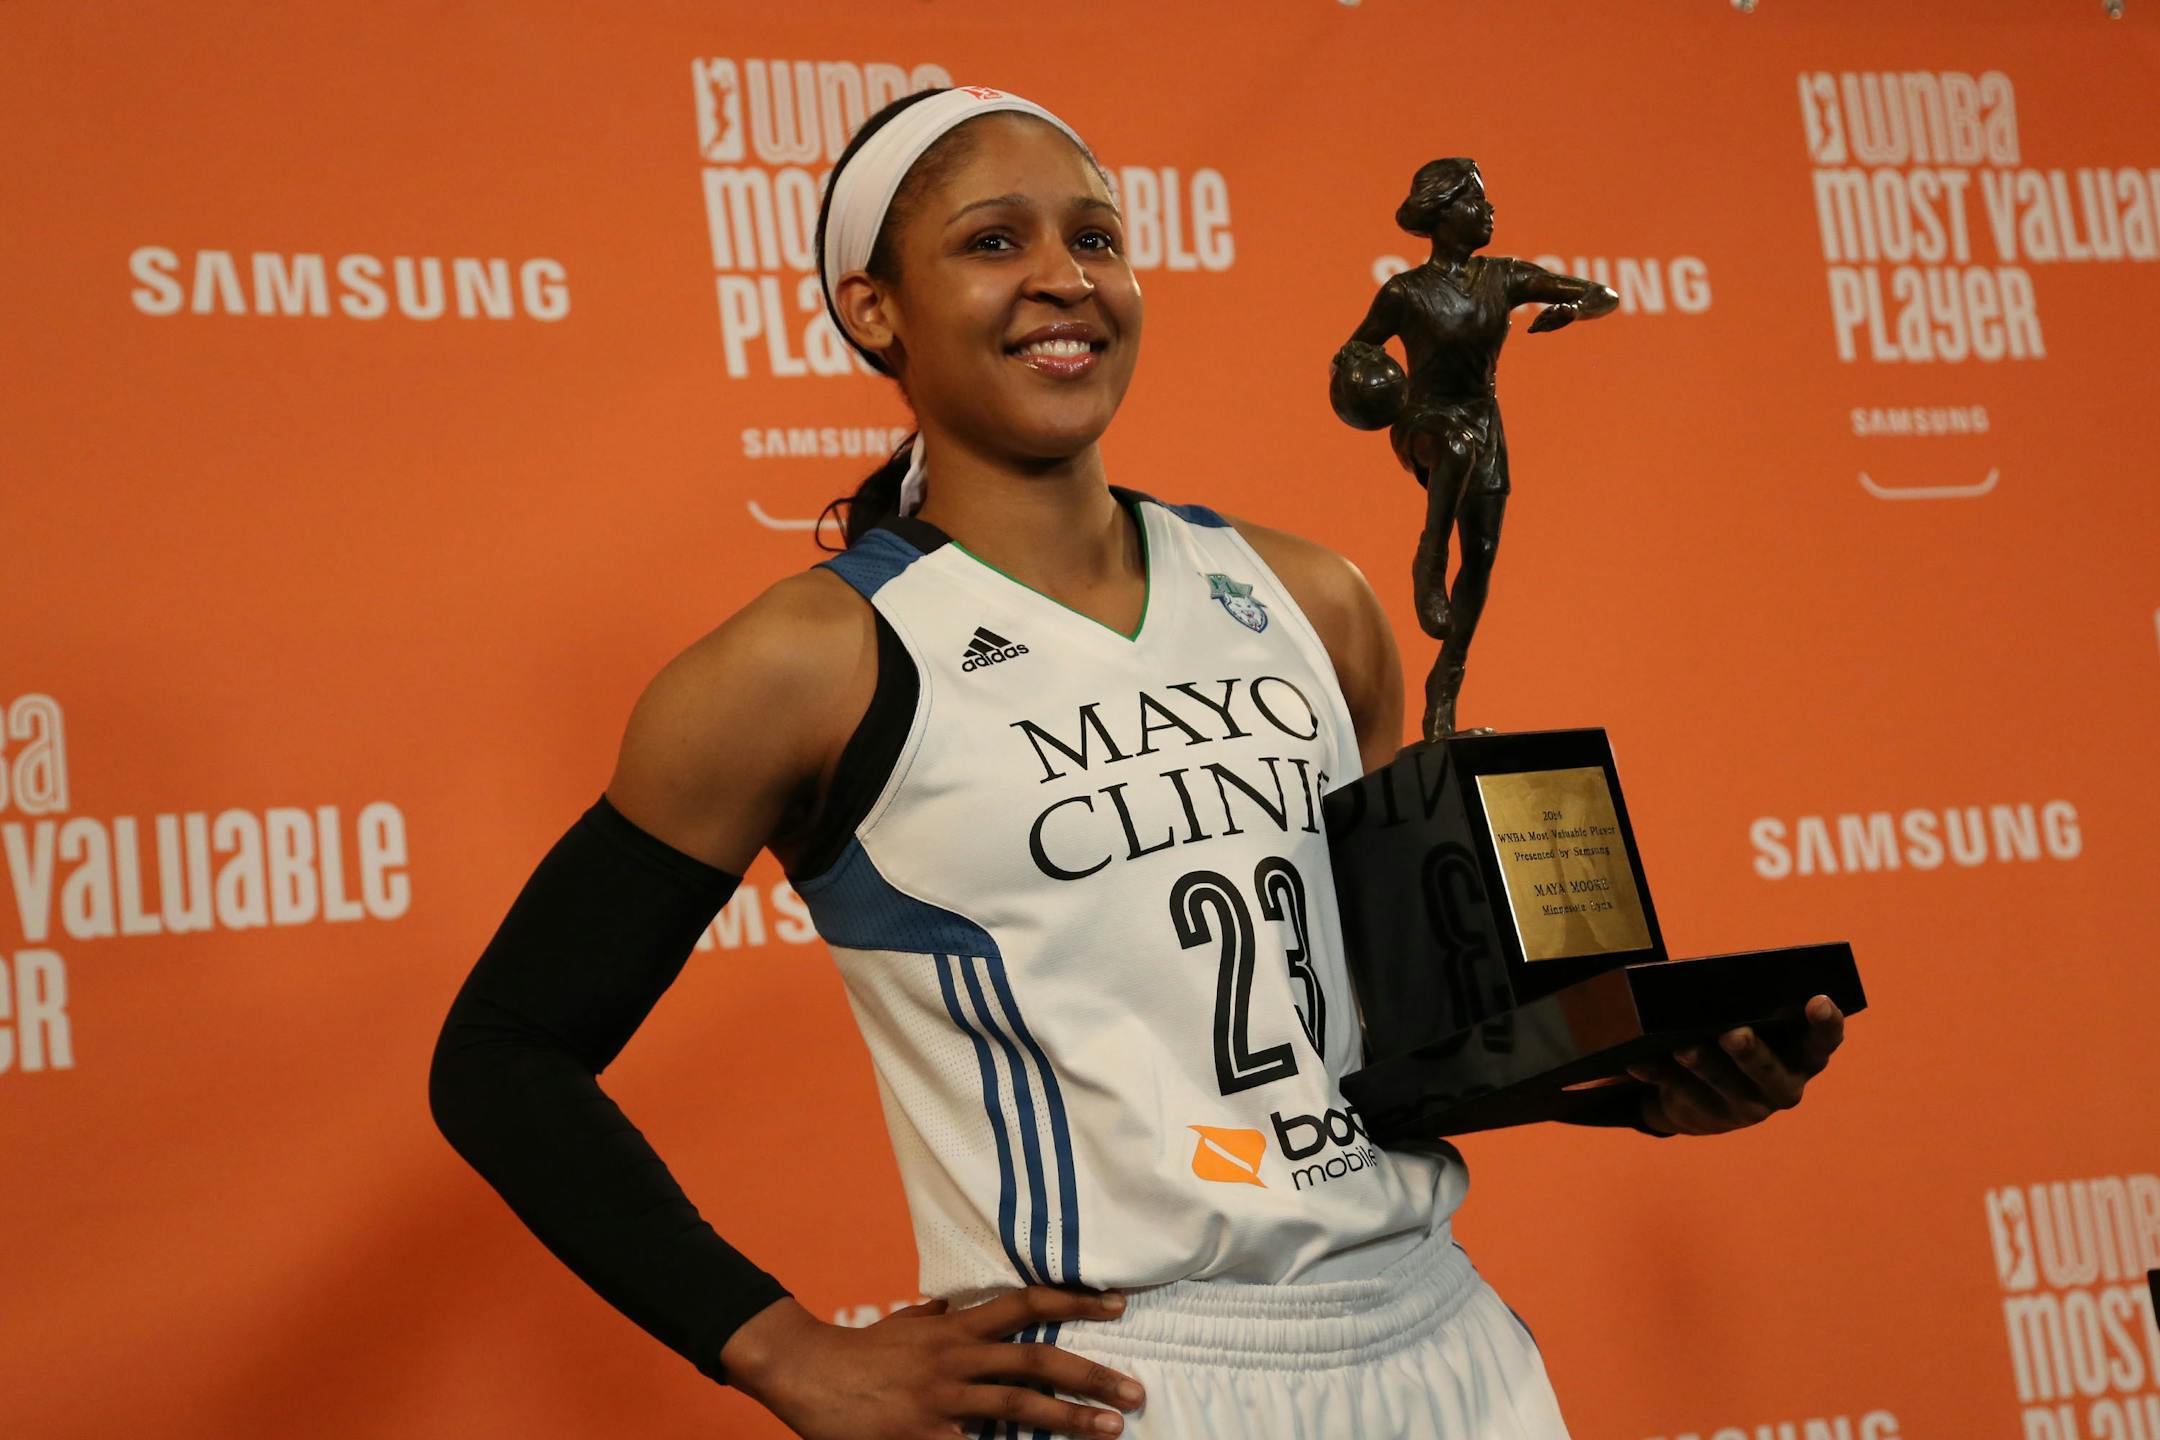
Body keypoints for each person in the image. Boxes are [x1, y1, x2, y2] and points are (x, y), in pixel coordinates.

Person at [429, 86, 1848, 1440]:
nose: (1065, 278)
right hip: (1122, 1378)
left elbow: (1365, 1057)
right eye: (994, 242)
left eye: (1096, 238)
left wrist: (1631, 1086)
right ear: (873, 308)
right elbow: (504, 1055)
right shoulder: (812, 661)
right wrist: (782, 1348)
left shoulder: (1310, 597)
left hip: (1443, 1347)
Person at [1333, 158, 1618, 739]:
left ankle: (1444, 692)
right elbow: (1353, 350)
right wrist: (1366, 381)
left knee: (1483, 556)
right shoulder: (1405, 292)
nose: (1489, 210)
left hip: (1484, 420)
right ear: (1442, 213)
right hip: (1423, 420)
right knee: (1456, 445)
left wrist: (1572, 308)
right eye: (1475, 200)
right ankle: (1429, 558)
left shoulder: (1503, 277)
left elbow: (1602, 293)